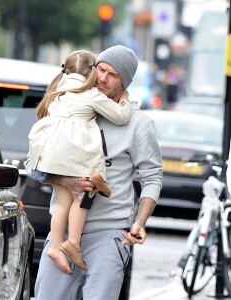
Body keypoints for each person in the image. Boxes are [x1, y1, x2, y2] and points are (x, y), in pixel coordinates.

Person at [29, 45, 163, 300]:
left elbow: (152, 177)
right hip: (63, 236)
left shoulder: (138, 124)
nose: (102, 78)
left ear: (125, 82)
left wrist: (139, 222)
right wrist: (70, 181)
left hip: (108, 236)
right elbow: (33, 165)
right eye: (100, 69)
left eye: (112, 75)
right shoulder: (70, 105)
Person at [26, 49, 133, 272]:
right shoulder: (90, 93)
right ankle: (73, 242)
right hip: (72, 156)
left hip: (49, 155)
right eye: (99, 69)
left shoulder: (57, 89)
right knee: (82, 196)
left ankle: (55, 247)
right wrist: (125, 101)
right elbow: (120, 117)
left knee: (63, 204)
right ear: (91, 71)